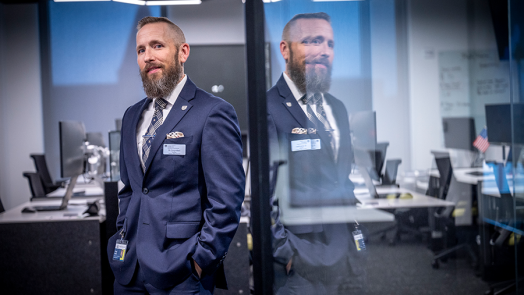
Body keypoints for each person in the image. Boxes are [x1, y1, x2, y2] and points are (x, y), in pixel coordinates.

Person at [107, 16, 245, 294]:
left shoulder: (212, 112)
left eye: (157, 46)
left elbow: (227, 200)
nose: (148, 57)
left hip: (181, 272)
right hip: (129, 270)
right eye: (141, 50)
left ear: (183, 52)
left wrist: (201, 260)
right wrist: (122, 234)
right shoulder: (132, 115)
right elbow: (130, 189)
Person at [267, 12, 367, 294]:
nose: (323, 51)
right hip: (300, 258)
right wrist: (285, 254)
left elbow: (341, 179)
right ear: (285, 49)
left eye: (329, 44)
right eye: (312, 41)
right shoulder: (268, 109)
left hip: (344, 254)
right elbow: (264, 197)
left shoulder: (337, 108)